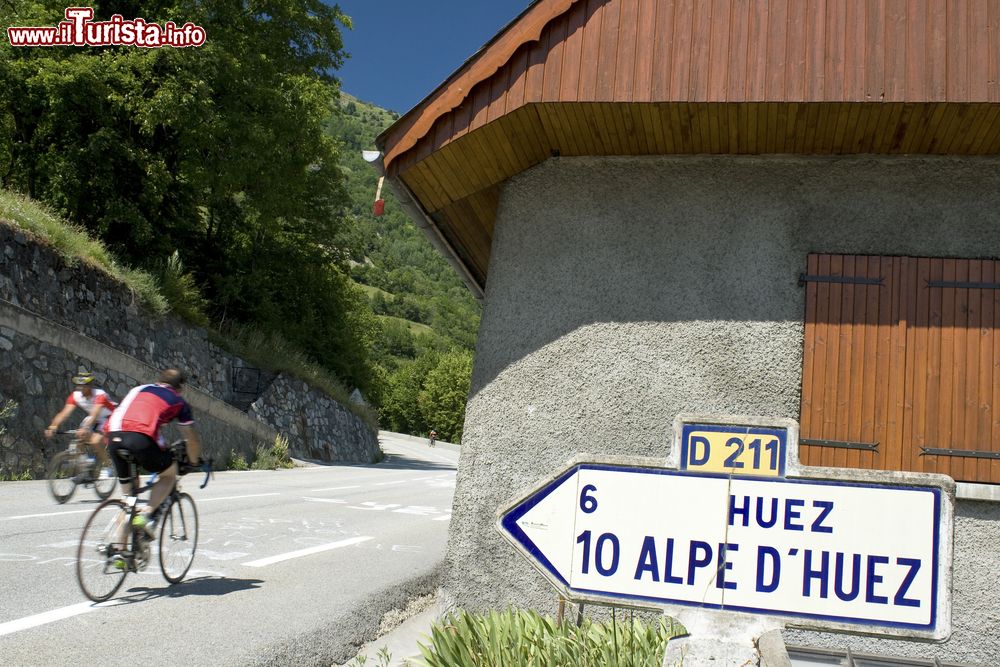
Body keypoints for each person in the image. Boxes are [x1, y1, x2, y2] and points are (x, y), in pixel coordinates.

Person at [106, 368, 202, 536]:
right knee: (169, 476)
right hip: (140, 438)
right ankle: (146, 514)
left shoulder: (137, 389)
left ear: (159, 381)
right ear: (181, 388)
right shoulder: (178, 401)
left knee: (129, 498)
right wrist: (193, 461)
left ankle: (119, 553)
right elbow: (191, 439)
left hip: (113, 436)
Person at [44, 369, 116, 477]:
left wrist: (86, 428)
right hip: (94, 417)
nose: (80, 388)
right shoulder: (75, 395)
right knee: (79, 438)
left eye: (84, 385)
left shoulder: (100, 395)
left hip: (109, 417)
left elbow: (95, 414)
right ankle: (85, 468)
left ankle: (107, 465)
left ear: (90, 385)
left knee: (96, 441)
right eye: (78, 385)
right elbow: (64, 413)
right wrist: (53, 426)